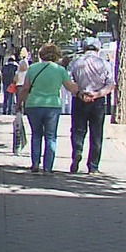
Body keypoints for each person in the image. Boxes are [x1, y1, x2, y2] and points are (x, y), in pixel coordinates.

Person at [16, 42, 81, 174]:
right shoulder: (60, 70)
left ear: (41, 55)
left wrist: (18, 103)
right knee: (51, 136)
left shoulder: (33, 68)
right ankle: (48, 166)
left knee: (36, 135)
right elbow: (71, 87)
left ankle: (35, 163)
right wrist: (82, 87)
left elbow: (25, 88)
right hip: (52, 106)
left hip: (33, 105)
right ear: (57, 56)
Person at [68, 37, 115, 173]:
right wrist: (97, 94)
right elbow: (110, 84)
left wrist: (79, 93)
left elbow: (69, 81)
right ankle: (93, 166)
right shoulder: (104, 64)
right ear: (98, 49)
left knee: (78, 129)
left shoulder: (75, 63)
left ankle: (77, 150)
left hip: (79, 99)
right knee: (96, 133)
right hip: (97, 101)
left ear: (83, 48)